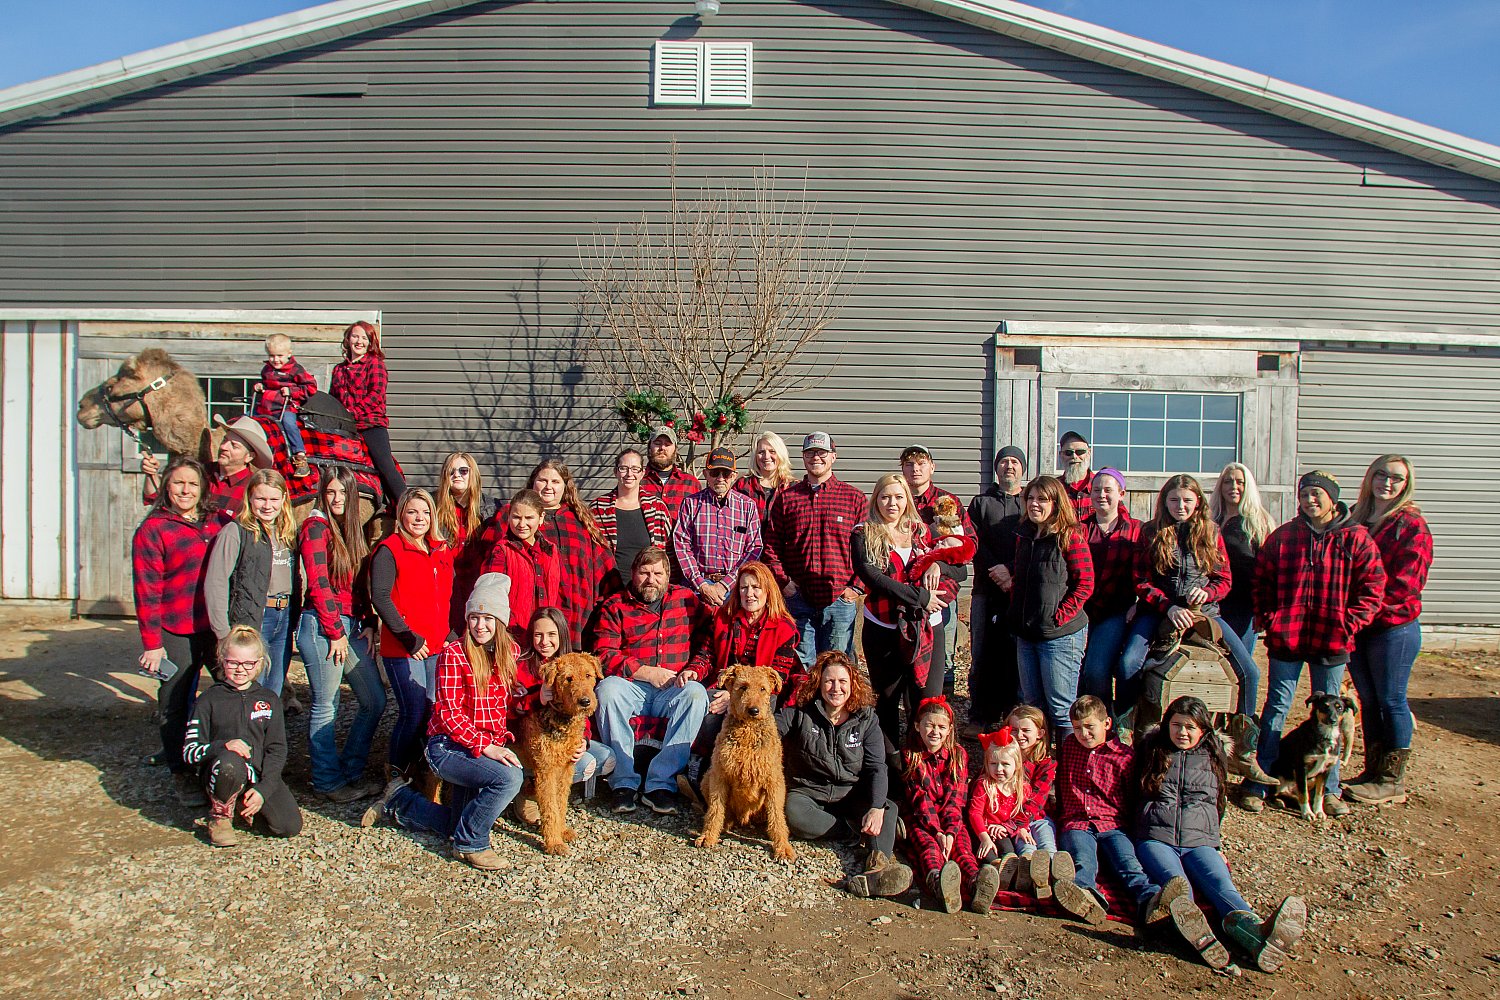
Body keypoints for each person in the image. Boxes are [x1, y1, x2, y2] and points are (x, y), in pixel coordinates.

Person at [1242, 471, 1387, 815]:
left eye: (1317, 494)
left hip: (1331, 638)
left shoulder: (1355, 538)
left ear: (1332, 499)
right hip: (1288, 635)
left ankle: (1330, 788)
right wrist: (1269, 616)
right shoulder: (1285, 537)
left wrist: (1350, 622)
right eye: (1304, 494)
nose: (1309, 501)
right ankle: (1262, 780)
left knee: (1333, 715)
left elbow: (1373, 586)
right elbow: (1261, 579)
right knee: (1277, 707)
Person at [1130, 696, 1308, 972]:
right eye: (1176, 725)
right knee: (1177, 885)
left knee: (1222, 887)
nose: (1182, 732)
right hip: (1156, 838)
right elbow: (1133, 793)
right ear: (1166, 725)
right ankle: (1198, 937)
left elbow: (1218, 802)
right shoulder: (1151, 749)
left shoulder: (1214, 755)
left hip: (1200, 841)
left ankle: (1256, 935)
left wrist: (1216, 843)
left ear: (1203, 729)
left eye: (1190, 727)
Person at [361, 575, 525, 871]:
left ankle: (399, 801)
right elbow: (449, 714)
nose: (480, 625)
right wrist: (486, 747)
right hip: (449, 747)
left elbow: (506, 702)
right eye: (474, 617)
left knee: (455, 824)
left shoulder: (509, 653)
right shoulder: (454, 654)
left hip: (482, 745)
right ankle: (472, 843)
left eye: (488, 618)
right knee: (509, 778)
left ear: (500, 621)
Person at [1117, 475, 1263, 769]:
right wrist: (1168, 606)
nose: (1180, 506)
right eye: (1174, 500)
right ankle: (1125, 732)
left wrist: (1208, 592)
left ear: (1198, 502)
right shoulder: (1150, 532)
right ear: (1164, 501)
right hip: (1159, 610)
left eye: (1186, 500)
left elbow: (1224, 579)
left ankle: (1245, 750)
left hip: (1205, 613)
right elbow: (1141, 580)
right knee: (1129, 663)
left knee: (1250, 671)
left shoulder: (1211, 531)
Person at [778, 651, 913, 899]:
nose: (836, 688)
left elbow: (876, 767)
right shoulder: (801, 713)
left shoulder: (866, 719)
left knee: (886, 808)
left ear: (852, 684)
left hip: (851, 792)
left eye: (842, 681)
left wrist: (876, 807)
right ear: (818, 683)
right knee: (792, 812)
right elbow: (769, 730)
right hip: (809, 790)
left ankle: (877, 867)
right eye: (829, 681)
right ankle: (852, 831)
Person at [131, 457, 224, 805]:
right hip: (175, 626)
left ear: (203, 488)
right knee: (174, 699)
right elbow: (146, 590)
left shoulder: (216, 522)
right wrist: (152, 644)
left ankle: (222, 761)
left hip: (213, 625)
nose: (186, 490)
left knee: (232, 689)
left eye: (192, 484)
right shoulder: (154, 529)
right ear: (166, 486)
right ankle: (180, 771)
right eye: (178, 483)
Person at [592, 546, 708, 816]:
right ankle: (623, 781)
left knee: (696, 694)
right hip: (633, 685)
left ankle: (661, 783)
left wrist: (694, 669)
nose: (651, 580)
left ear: (668, 575)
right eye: (644, 573)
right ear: (633, 573)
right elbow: (603, 653)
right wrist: (644, 671)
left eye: (658, 573)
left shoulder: (686, 600)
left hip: (674, 686)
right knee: (607, 690)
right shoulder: (615, 605)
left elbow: (708, 643)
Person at [1052, 696, 1185, 928]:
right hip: (1077, 822)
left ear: (1107, 724)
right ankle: (1085, 897)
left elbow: (1132, 797)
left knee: (1128, 864)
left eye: (1089, 726)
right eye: (1077, 728)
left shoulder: (1124, 756)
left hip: (1113, 824)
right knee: (1083, 860)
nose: (1084, 734)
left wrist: (1134, 830)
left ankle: (1152, 901)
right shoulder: (1069, 747)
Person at [1344, 456, 1432, 806]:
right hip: (1358, 627)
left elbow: (1406, 585)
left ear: (1406, 484)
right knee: (1368, 700)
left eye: (1396, 478)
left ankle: (1392, 780)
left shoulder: (1411, 526)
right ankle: (1373, 771)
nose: (1387, 482)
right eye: (1381, 474)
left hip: (1392, 628)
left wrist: (1364, 611)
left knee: (1391, 699)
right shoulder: (1357, 516)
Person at [296, 464, 385, 803]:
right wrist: (335, 632)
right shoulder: (316, 528)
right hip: (322, 625)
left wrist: (368, 623)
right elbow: (318, 585)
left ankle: (350, 770)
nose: (336, 498)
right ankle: (326, 782)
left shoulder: (351, 531)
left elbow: (358, 587)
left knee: (374, 700)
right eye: (330, 491)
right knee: (326, 705)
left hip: (350, 624)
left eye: (342, 492)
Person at [680, 561, 802, 790]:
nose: (749, 593)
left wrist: (736, 698)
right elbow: (707, 653)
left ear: (768, 591)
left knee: (727, 715)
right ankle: (700, 767)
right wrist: (693, 670)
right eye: (744, 587)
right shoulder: (724, 618)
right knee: (703, 708)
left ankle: (744, 778)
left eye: (756, 587)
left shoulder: (784, 627)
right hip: (726, 686)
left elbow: (779, 676)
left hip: (764, 693)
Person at [182, 625, 303, 847]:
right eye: (233, 663)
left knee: (289, 826)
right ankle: (220, 816)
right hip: (223, 771)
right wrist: (222, 746)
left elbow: (277, 749)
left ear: (259, 663)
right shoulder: (209, 699)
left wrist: (264, 789)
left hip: (257, 775)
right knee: (231, 761)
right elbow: (190, 752)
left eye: (248, 663)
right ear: (222, 660)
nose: (240, 669)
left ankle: (242, 804)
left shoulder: (269, 699)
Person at [852, 473, 949, 749]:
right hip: (884, 627)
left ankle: (921, 764)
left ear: (907, 499)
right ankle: (891, 768)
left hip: (927, 627)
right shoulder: (863, 533)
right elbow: (873, 578)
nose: (891, 503)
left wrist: (938, 564)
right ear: (876, 500)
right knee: (887, 701)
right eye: (885, 497)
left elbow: (960, 566)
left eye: (898, 497)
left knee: (925, 701)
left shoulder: (923, 531)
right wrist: (921, 597)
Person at [370, 487, 456, 779]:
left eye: (425, 512)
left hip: (437, 645)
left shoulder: (441, 549)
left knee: (432, 711)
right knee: (414, 711)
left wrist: (450, 633)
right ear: (401, 515)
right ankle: (395, 769)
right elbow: (381, 597)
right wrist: (408, 638)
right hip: (404, 647)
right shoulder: (390, 549)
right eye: (412, 512)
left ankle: (421, 769)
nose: (419, 518)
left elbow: (448, 596)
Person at [999, 476, 1093, 739]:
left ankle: (1066, 762)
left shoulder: (1070, 537)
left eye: (1042, 499)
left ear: (1056, 503)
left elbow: (1085, 583)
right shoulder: (1025, 535)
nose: (1034, 504)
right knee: (1033, 708)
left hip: (1059, 636)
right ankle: (1039, 762)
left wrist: (1058, 617)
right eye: (1030, 498)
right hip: (1027, 633)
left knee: (1061, 710)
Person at [762, 432, 867, 666]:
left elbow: (869, 550)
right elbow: (771, 546)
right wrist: (784, 583)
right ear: (803, 457)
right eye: (810, 453)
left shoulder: (854, 499)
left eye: (822, 452)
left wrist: (856, 588)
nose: (816, 457)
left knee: (837, 666)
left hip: (839, 599)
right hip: (798, 598)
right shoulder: (787, 499)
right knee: (801, 667)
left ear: (833, 456)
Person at [900, 697, 1001, 914]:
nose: (935, 732)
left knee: (962, 849)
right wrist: (937, 831)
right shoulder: (911, 756)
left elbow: (956, 800)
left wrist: (950, 832)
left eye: (941, 727)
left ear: (949, 730)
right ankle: (939, 884)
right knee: (929, 849)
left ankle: (976, 884)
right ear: (917, 726)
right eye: (929, 725)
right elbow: (919, 799)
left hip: (951, 818)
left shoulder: (958, 755)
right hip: (921, 818)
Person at [203, 468, 298, 697]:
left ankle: (269, 721)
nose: (267, 506)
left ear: (283, 499)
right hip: (253, 618)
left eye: (273, 499)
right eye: (261, 498)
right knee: (250, 686)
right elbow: (216, 582)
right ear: (250, 498)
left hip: (283, 616)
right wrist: (223, 633)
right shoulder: (235, 532)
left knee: (274, 687)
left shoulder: (287, 533)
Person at [514, 607, 616, 800]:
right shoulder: (522, 667)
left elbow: (580, 711)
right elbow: (510, 710)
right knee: (585, 764)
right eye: (538, 635)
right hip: (532, 741)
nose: (545, 641)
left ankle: (538, 791)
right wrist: (537, 698)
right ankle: (530, 788)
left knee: (607, 757)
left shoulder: (573, 661)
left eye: (551, 634)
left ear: (561, 634)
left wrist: (584, 739)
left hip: (566, 733)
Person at [967, 445, 1027, 732]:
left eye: (1015, 462)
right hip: (985, 588)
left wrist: (1012, 571)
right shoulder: (980, 503)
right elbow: (972, 542)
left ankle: (1014, 716)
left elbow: (1034, 542)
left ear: (1023, 468)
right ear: (996, 468)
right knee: (982, 653)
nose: (1009, 466)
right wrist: (997, 570)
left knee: (1015, 653)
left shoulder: (1030, 502)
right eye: (1004, 461)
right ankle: (979, 715)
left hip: (1021, 589)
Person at [901, 444, 974, 678]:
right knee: (906, 648)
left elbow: (969, 546)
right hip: (904, 588)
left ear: (932, 467)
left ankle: (943, 695)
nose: (915, 469)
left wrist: (938, 564)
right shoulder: (896, 500)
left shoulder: (947, 503)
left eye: (921, 464)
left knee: (942, 653)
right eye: (909, 464)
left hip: (941, 589)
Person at [525, 460, 611, 647]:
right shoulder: (519, 517)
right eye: (542, 480)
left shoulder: (581, 519)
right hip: (535, 610)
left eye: (555, 481)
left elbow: (605, 566)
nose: (548, 486)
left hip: (579, 614)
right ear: (532, 483)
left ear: (565, 486)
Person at [1078, 468, 1140, 710]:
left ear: (1121, 494)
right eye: (1096, 490)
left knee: (1096, 669)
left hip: (1117, 611)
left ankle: (1107, 718)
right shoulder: (1080, 529)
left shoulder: (1136, 530)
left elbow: (1148, 572)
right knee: (1078, 669)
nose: (1101, 495)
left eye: (1108, 490)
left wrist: (1140, 604)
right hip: (1082, 609)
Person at [672, 447, 763, 609]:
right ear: (706, 474)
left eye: (726, 473)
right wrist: (702, 585)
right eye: (715, 473)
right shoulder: (691, 504)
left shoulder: (747, 506)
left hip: (735, 588)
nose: (720, 478)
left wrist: (725, 584)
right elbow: (681, 545)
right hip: (696, 587)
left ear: (734, 476)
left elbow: (754, 549)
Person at [329, 320, 405, 507]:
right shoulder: (338, 370)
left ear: (370, 342)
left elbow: (376, 395)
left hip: (370, 424)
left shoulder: (375, 365)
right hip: (344, 427)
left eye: (364, 338)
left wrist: (353, 413)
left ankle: (406, 504)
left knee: (385, 465)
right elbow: (332, 398)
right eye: (355, 336)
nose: (359, 341)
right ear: (348, 340)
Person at [140, 414, 272, 517]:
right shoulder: (200, 472)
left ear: (249, 456)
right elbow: (156, 498)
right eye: (225, 440)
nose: (224, 447)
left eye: (234, 446)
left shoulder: (254, 488)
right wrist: (151, 474)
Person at [479, 489, 562, 648]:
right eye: (516, 517)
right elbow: (491, 598)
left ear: (541, 517)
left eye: (529, 518)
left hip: (544, 640)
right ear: (509, 516)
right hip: (511, 639)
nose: (522, 524)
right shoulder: (501, 551)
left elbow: (559, 595)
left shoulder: (551, 551)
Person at [1209, 462, 1276, 657]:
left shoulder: (1259, 522)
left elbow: (1269, 570)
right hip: (1214, 604)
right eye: (1228, 482)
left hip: (1245, 607)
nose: (1234, 487)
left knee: (1240, 663)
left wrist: (1262, 609)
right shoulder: (1210, 520)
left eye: (1240, 482)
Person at [967, 727, 1041, 894]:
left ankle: (1011, 876)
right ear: (987, 764)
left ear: (1016, 765)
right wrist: (985, 838)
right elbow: (975, 813)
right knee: (988, 853)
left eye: (1005, 764)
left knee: (1009, 852)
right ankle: (994, 875)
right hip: (982, 831)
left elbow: (1022, 812)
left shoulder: (1021, 788)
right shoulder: (985, 785)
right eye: (993, 764)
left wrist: (1021, 828)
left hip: (1003, 831)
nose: (999, 769)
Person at [1005, 703, 1068, 896]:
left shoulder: (1047, 763)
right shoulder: (1003, 758)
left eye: (1026, 730)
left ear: (1040, 733)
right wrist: (1018, 826)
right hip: (1012, 818)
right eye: (1014, 730)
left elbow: (1037, 799)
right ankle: (1033, 880)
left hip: (1038, 817)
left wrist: (1022, 823)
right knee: (1026, 847)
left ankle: (1055, 879)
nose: (1019, 735)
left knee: (1047, 843)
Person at [590, 447, 672, 593]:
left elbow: (669, 553)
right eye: (623, 468)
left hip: (648, 589)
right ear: (615, 471)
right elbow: (589, 554)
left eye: (635, 469)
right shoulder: (598, 509)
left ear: (642, 473)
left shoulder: (657, 508)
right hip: (608, 589)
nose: (629, 474)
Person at [253, 332, 318, 478]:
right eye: (271, 356)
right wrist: (260, 386)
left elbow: (311, 387)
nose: (275, 360)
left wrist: (291, 391)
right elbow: (266, 383)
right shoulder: (267, 369)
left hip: (286, 406)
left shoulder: (296, 369)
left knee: (289, 424)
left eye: (280, 356)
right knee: (249, 418)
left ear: (289, 354)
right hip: (266, 406)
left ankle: (300, 455)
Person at [642, 425, 701, 523]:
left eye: (667, 444)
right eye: (657, 443)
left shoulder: (691, 484)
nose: (662, 448)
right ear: (649, 447)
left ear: (675, 450)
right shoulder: (636, 481)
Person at [732, 431, 794, 523]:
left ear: (781, 454)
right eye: (761, 452)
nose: (766, 456)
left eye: (772, 451)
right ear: (755, 456)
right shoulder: (742, 485)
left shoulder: (793, 488)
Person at [1058, 431, 1095, 523]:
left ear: (1089, 453)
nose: (1074, 456)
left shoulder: (1103, 486)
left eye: (1080, 452)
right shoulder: (1053, 487)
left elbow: (1122, 520)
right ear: (1061, 455)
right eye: (1068, 453)